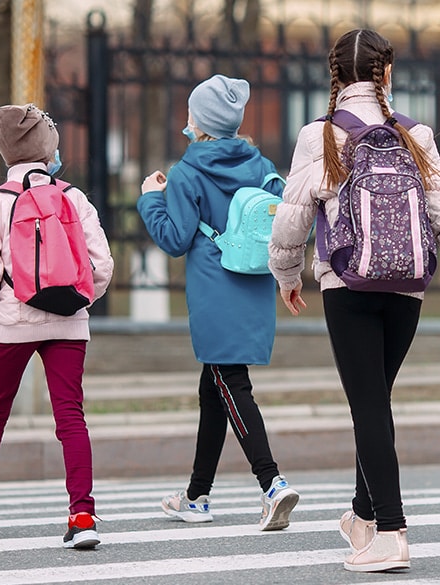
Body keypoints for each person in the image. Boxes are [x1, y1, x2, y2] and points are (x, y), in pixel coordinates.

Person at [268, 28, 440, 573]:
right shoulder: (417, 134)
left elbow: (292, 216)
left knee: (368, 406)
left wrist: (286, 273)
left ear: (334, 77)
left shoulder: (319, 135)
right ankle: (364, 515)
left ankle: (391, 530)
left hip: (348, 284)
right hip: (408, 288)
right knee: (375, 402)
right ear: (388, 75)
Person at [0, 103, 114, 549]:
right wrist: (79, 301)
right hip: (69, 322)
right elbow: (102, 265)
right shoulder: (74, 197)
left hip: (13, 321)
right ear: (47, 147)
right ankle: (82, 515)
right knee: (71, 415)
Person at [137, 74, 300, 532]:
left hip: (214, 290)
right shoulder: (260, 163)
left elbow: (173, 239)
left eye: (191, 112)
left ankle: (272, 483)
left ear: (200, 122)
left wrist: (151, 199)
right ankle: (196, 495)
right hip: (252, 284)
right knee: (214, 390)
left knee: (230, 383)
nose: (186, 119)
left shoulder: (187, 173)